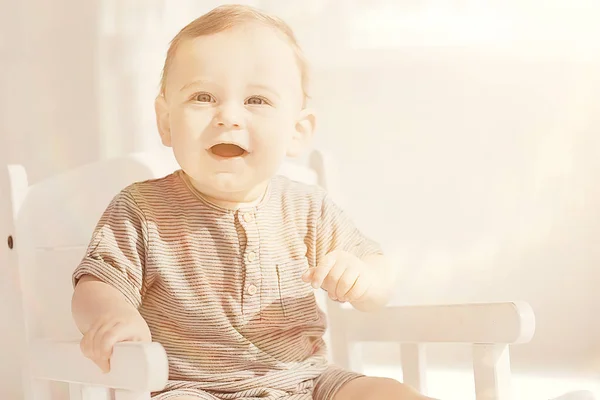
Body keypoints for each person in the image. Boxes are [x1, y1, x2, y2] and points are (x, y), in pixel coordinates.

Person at [71, 4, 437, 400]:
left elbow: (378, 271)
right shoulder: (141, 209)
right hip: (187, 387)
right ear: (166, 121)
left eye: (257, 100)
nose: (228, 116)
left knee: (386, 391)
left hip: (307, 382)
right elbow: (97, 281)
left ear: (297, 132)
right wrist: (114, 317)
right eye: (203, 96)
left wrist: (363, 278)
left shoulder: (308, 208)